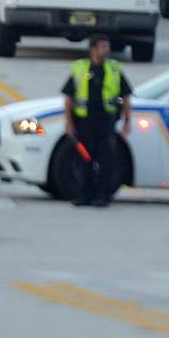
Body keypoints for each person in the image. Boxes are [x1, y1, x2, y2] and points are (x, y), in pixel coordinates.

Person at [60, 35, 132, 208]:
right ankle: (84, 195)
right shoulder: (80, 68)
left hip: (106, 122)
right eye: (102, 47)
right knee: (84, 158)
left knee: (106, 159)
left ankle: (102, 196)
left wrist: (127, 121)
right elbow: (68, 97)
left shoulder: (114, 69)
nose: (106, 50)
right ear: (93, 49)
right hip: (84, 122)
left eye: (107, 46)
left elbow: (126, 96)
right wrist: (68, 122)